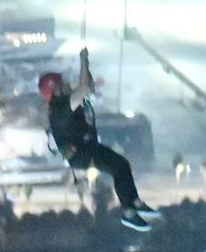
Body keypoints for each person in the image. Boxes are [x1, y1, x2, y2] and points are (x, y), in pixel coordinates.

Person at [40, 49, 157, 230]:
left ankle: (134, 202)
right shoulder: (61, 107)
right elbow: (84, 89)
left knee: (122, 165)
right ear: (55, 89)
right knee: (118, 167)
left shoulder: (68, 102)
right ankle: (129, 213)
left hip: (89, 148)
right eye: (61, 83)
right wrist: (83, 60)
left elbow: (88, 86)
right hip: (82, 154)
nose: (66, 84)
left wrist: (85, 64)